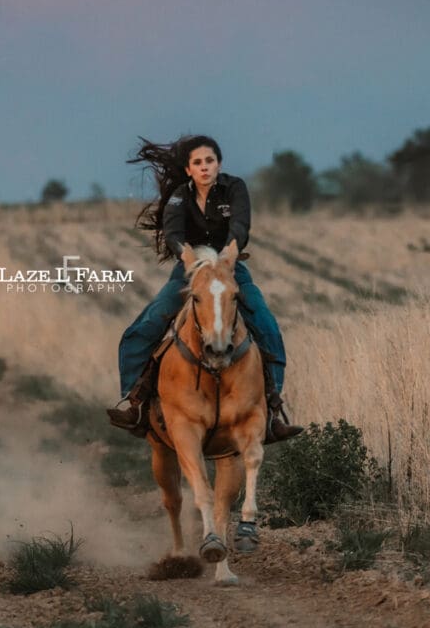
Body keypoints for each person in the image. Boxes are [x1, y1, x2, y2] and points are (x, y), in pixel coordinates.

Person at [107, 134, 303, 444]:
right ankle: (136, 402)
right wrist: (184, 253)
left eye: (209, 161)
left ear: (219, 164)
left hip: (229, 269)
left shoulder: (234, 188)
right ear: (188, 169)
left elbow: (241, 225)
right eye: (197, 162)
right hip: (191, 273)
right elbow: (172, 230)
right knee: (147, 325)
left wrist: (231, 250)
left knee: (266, 323)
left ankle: (273, 407)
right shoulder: (177, 197)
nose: (204, 167)